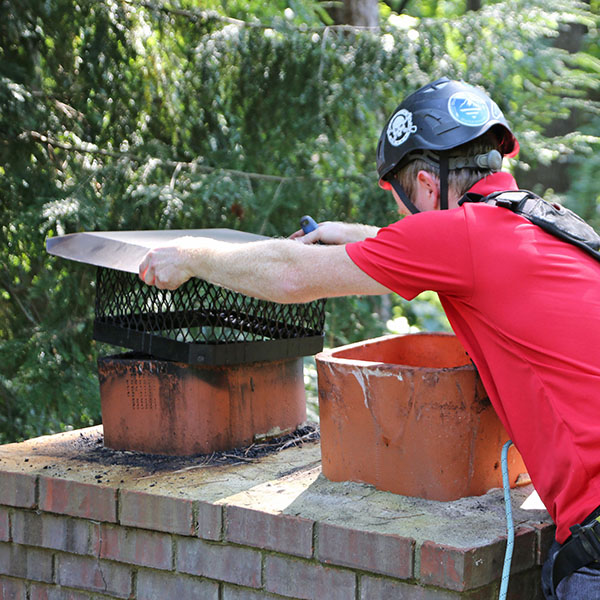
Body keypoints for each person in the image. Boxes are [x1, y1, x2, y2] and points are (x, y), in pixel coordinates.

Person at [139, 77, 600, 599]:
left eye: (404, 199)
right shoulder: (542, 221)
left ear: (427, 183)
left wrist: (193, 255)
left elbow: (291, 276)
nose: (404, 216)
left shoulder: (465, 236)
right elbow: (431, 248)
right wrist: (345, 232)